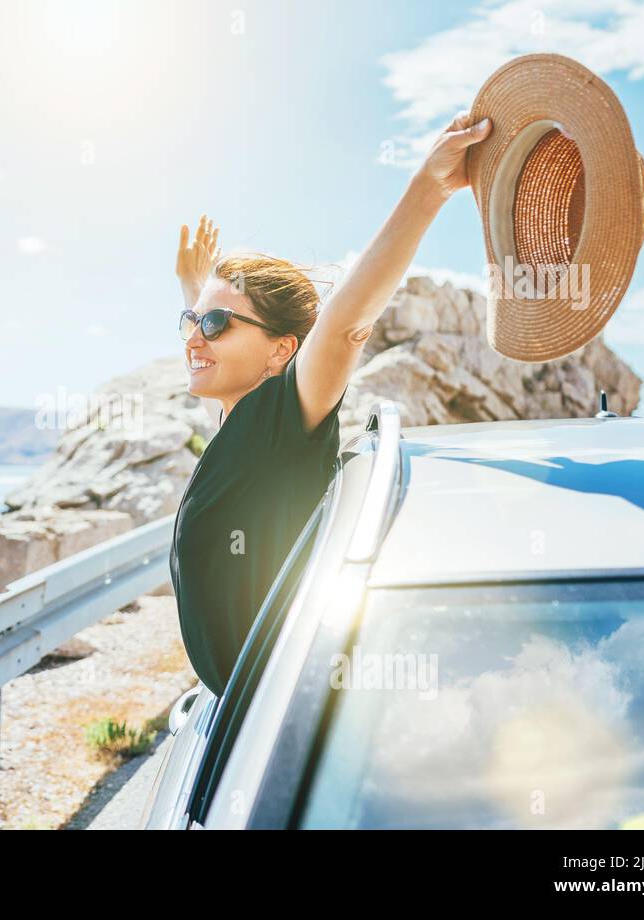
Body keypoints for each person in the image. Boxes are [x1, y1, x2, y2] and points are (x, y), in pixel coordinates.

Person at [169, 111, 493, 697]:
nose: (194, 336)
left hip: (280, 726)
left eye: (214, 323)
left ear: (281, 353)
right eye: (190, 322)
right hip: (246, 716)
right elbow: (219, 347)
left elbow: (344, 326)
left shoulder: (284, 423)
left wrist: (430, 187)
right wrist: (200, 294)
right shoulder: (240, 422)